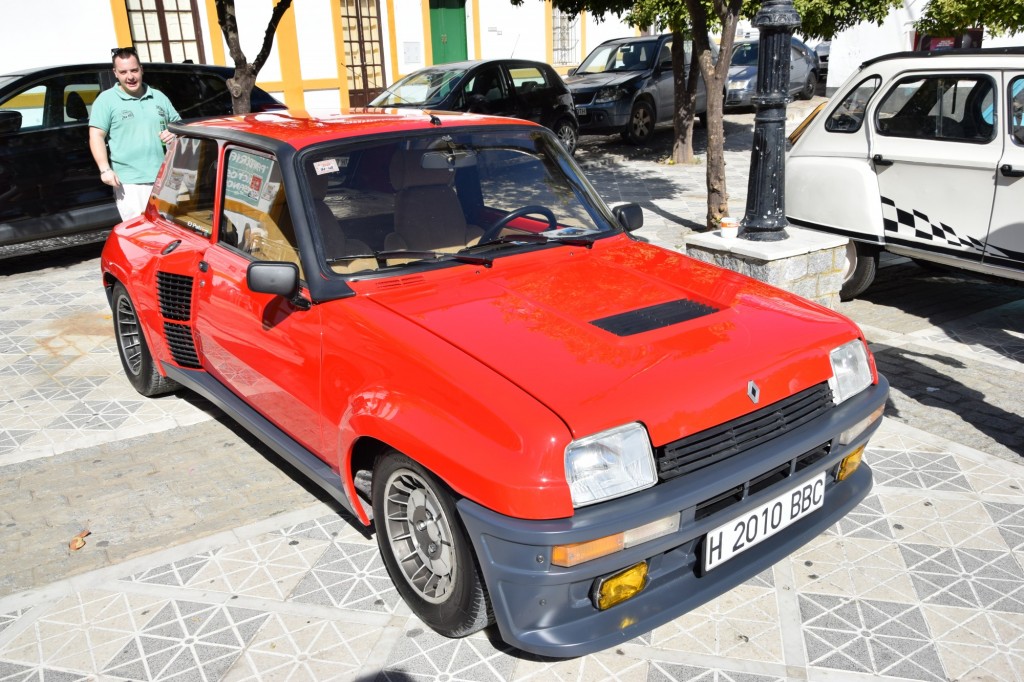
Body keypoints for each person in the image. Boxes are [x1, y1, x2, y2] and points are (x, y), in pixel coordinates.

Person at [89, 46, 180, 221]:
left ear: (141, 69)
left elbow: (179, 127)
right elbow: (96, 136)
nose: (130, 77)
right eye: (123, 72)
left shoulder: (158, 96)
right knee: (140, 232)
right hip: (130, 183)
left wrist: (173, 132)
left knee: (169, 231)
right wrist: (105, 170)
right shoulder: (105, 100)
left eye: (134, 70)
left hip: (166, 179)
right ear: (115, 73)